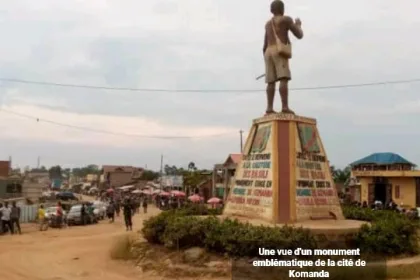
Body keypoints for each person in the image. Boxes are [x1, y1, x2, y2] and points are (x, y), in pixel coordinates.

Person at [263, 0, 303, 115]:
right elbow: (299, 35)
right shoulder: (286, 19)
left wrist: (266, 60)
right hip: (279, 50)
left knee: (271, 81)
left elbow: (264, 44)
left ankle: (269, 108)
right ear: (282, 9)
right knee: (283, 78)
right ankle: (285, 107)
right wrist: (298, 25)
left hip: (268, 51)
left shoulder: (267, 24)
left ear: (272, 10)